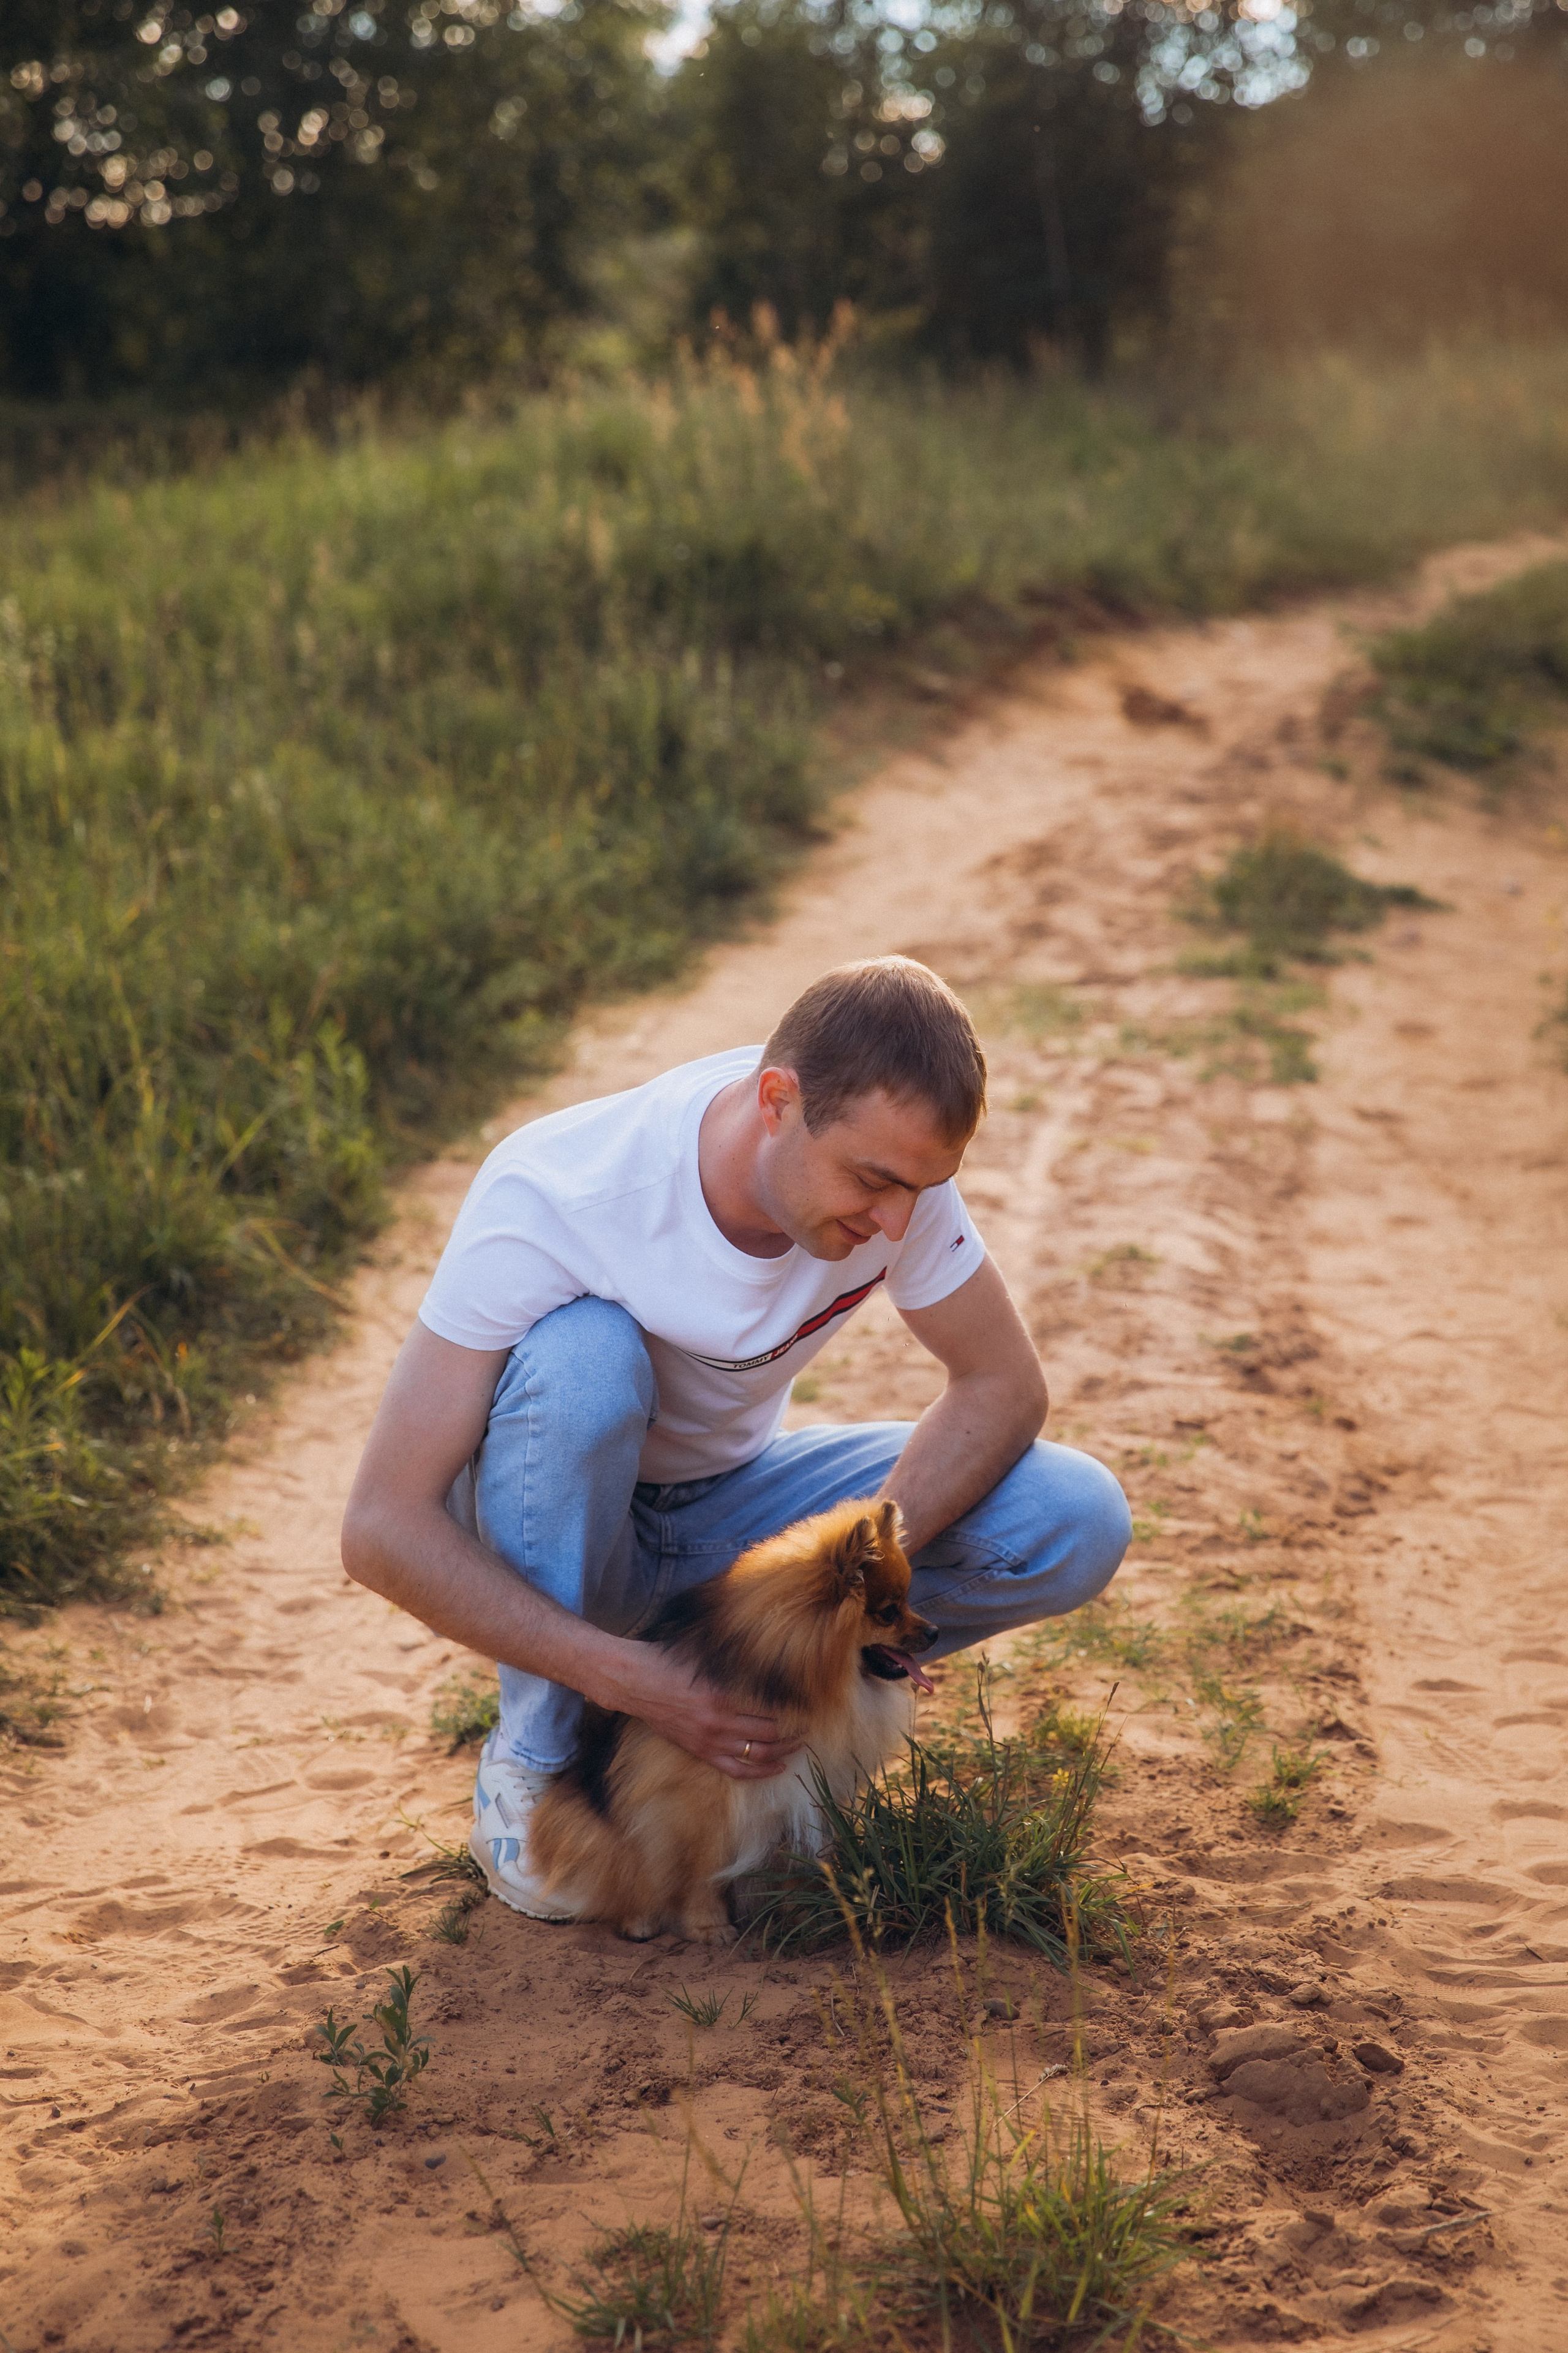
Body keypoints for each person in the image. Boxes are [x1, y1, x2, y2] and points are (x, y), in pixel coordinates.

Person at [341, 957, 1130, 1918]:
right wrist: (627, 1676)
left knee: (1074, 1514)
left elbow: (1004, 1386)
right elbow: (381, 1524)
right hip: (563, 1532)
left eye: (923, 1188)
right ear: (776, 1100)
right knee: (584, 1358)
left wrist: (853, 1577)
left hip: (730, 1526)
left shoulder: (899, 1178)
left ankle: (790, 1736)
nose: (897, 1219)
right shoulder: (557, 1190)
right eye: (875, 1181)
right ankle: (538, 1749)